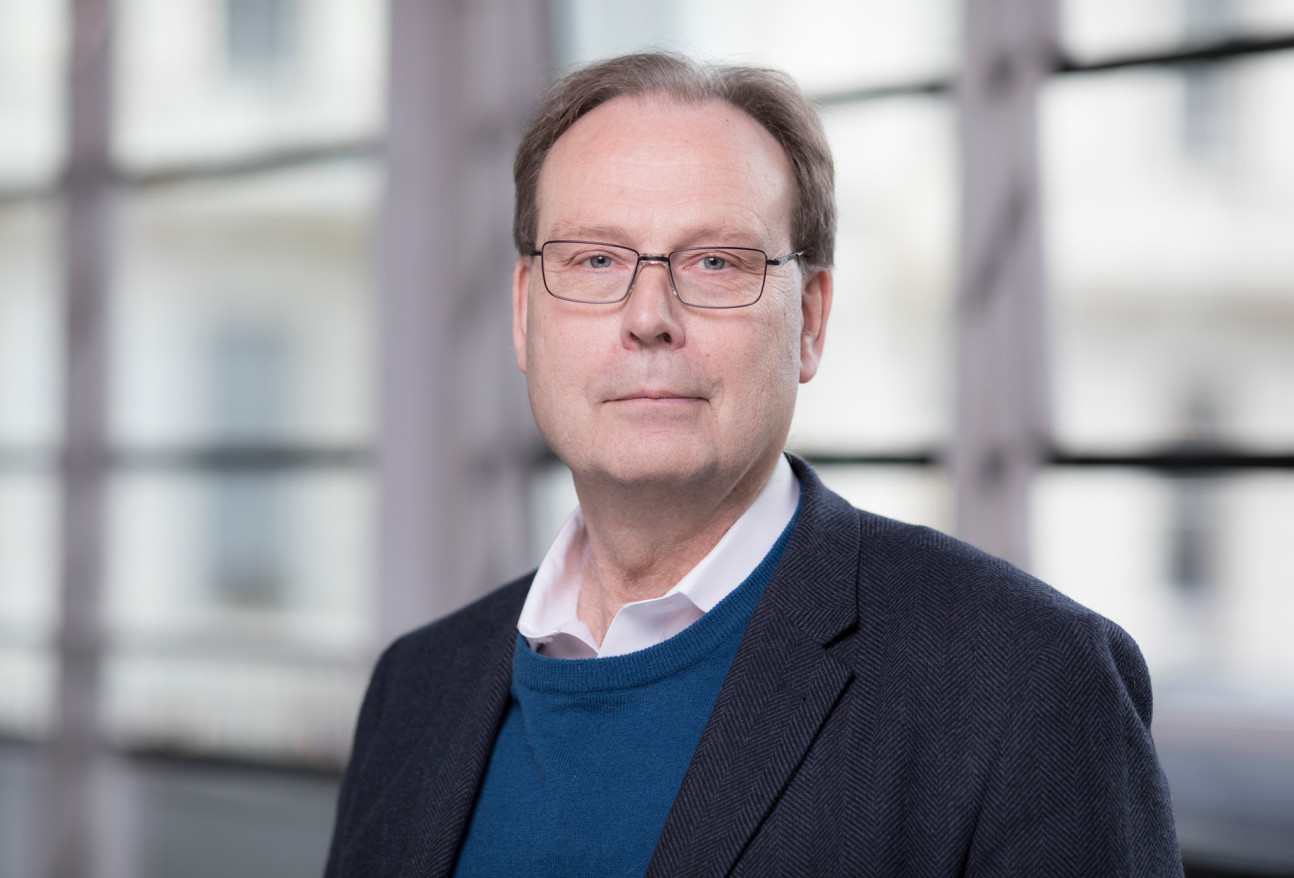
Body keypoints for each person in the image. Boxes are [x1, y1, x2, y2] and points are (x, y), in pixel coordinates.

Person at [325, 52, 1182, 877]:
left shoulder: (1030, 688)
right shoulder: (415, 692)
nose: (649, 316)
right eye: (594, 259)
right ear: (522, 316)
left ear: (809, 320)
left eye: (716, 262)